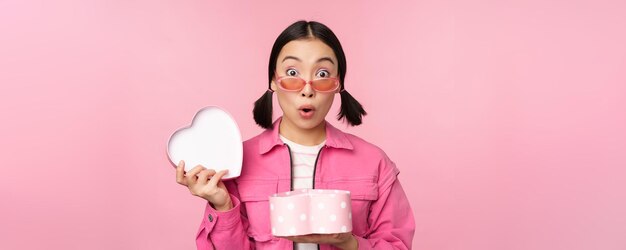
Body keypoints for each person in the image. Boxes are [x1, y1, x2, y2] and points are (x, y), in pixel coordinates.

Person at [176, 20, 415, 250]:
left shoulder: (374, 163)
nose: (307, 90)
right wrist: (222, 205)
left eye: (322, 74)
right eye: (292, 72)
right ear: (273, 80)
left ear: (338, 83)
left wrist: (348, 242)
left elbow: (397, 245)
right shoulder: (238, 161)